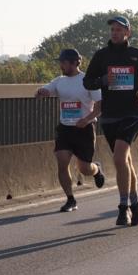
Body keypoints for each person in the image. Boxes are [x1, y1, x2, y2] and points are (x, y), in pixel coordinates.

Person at [83, 15, 138, 226]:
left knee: (119, 158)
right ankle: (136, 202)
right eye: (112, 30)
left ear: (127, 32)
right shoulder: (101, 56)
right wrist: (101, 80)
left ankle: (123, 208)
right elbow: (88, 82)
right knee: (126, 161)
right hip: (110, 115)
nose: (114, 33)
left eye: (119, 29)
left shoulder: (136, 55)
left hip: (132, 113)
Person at [35, 49, 105, 211]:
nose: (61, 65)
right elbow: (43, 91)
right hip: (65, 129)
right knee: (62, 162)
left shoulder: (88, 80)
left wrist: (86, 119)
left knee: (84, 169)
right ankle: (70, 199)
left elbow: (101, 105)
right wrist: (41, 92)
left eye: (64, 62)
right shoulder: (59, 81)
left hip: (84, 129)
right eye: (60, 62)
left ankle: (96, 170)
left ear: (74, 63)